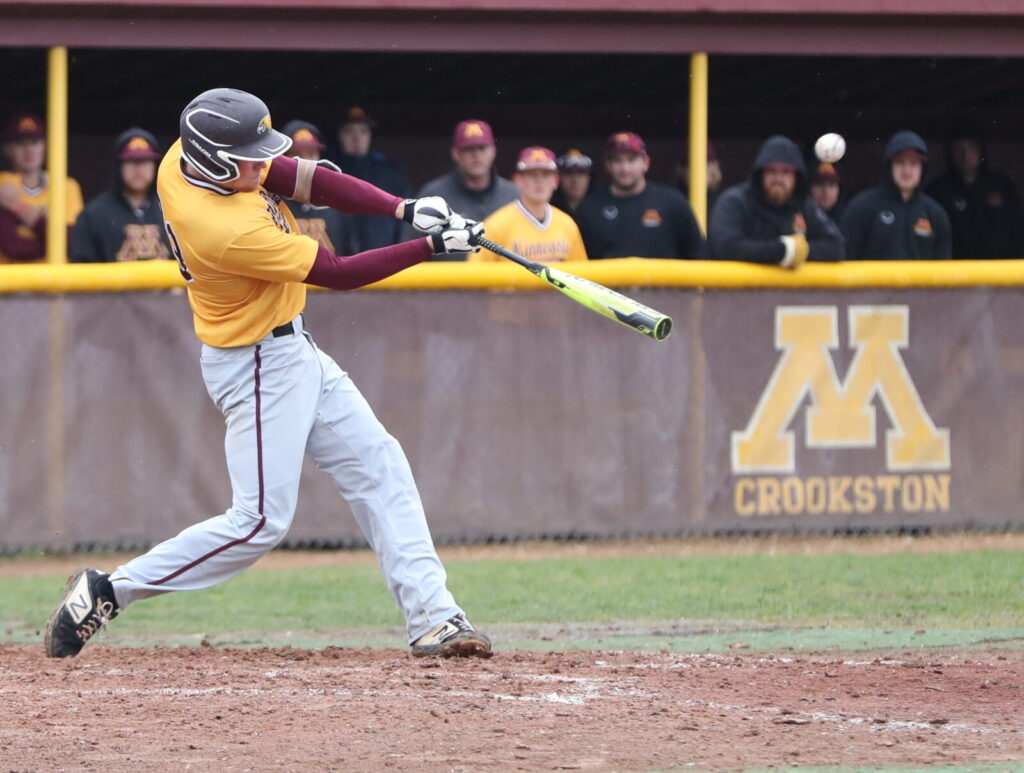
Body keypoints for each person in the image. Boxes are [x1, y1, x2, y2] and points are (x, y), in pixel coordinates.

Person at [44, 87, 492, 661]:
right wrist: (431, 245)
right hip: (255, 364)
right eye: (250, 158)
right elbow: (336, 272)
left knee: (380, 463)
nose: (263, 166)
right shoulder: (222, 228)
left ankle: (434, 618)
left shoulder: (188, 156)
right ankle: (108, 592)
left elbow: (302, 178)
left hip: (293, 348)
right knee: (258, 523)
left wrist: (401, 209)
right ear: (215, 163)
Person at [708, 134, 844, 268]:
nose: (778, 179)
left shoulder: (803, 204)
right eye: (771, 171)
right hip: (738, 288)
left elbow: (836, 246)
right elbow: (725, 247)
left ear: (797, 177)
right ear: (760, 174)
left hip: (794, 290)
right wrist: (783, 250)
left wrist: (800, 252)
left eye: (785, 172)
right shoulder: (736, 201)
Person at [574, 131, 705, 260]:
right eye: (618, 160)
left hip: (663, 281)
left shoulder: (673, 202)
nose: (624, 168)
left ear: (645, 163)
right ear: (608, 165)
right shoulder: (589, 208)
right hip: (605, 282)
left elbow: (699, 255)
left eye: (631, 160)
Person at [416, 119, 518, 260]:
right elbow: (411, 249)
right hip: (448, 281)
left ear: (493, 151)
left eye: (482, 148)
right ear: (455, 154)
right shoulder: (433, 195)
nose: (476, 155)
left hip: (504, 281)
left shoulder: (514, 195)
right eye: (469, 149)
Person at [841, 130, 952, 260]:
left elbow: (943, 268)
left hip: (920, 281)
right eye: (900, 162)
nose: (907, 171)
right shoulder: (861, 207)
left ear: (923, 169)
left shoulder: (935, 214)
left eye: (914, 164)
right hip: (873, 281)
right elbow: (846, 259)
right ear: (889, 166)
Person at [471, 146, 587, 264]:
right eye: (532, 175)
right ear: (518, 180)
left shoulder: (567, 224)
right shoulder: (495, 226)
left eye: (545, 175)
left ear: (555, 181)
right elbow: (475, 277)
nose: (539, 181)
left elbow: (582, 276)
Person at [70, 128, 171, 262]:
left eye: (145, 161)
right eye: (131, 161)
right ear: (118, 166)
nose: (139, 169)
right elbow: (81, 266)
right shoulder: (93, 214)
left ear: (156, 165)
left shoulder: (171, 209)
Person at [926, 128, 1022, 259]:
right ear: (950, 153)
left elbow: (1016, 230)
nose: (965, 155)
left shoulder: (1001, 186)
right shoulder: (938, 189)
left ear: (981, 151)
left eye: (971, 148)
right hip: (955, 270)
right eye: (958, 149)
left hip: (998, 268)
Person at [0, 113, 83, 263]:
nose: (29, 150)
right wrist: (54, 240)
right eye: (20, 143)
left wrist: (19, 207)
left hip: (57, 281)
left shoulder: (67, 186)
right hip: (12, 281)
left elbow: (73, 241)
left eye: (35, 142)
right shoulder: (3, 184)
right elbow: (13, 247)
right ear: (7, 149)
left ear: (45, 146)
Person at [328, 106, 413, 250]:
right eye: (349, 131)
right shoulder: (329, 171)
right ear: (339, 135)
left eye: (363, 131)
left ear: (371, 135)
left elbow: (407, 216)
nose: (357, 138)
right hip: (340, 262)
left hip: (384, 257)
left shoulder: (390, 172)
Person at [281, 119, 358, 256]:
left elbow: (351, 254)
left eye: (311, 154)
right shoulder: (271, 202)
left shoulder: (336, 203)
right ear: (283, 158)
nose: (306, 162)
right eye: (297, 154)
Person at [550, 148, 592, 214]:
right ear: (558, 178)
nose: (575, 180)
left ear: (589, 177)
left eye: (581, 173)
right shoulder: (549, 209)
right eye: (568, 173)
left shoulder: (600, 209)